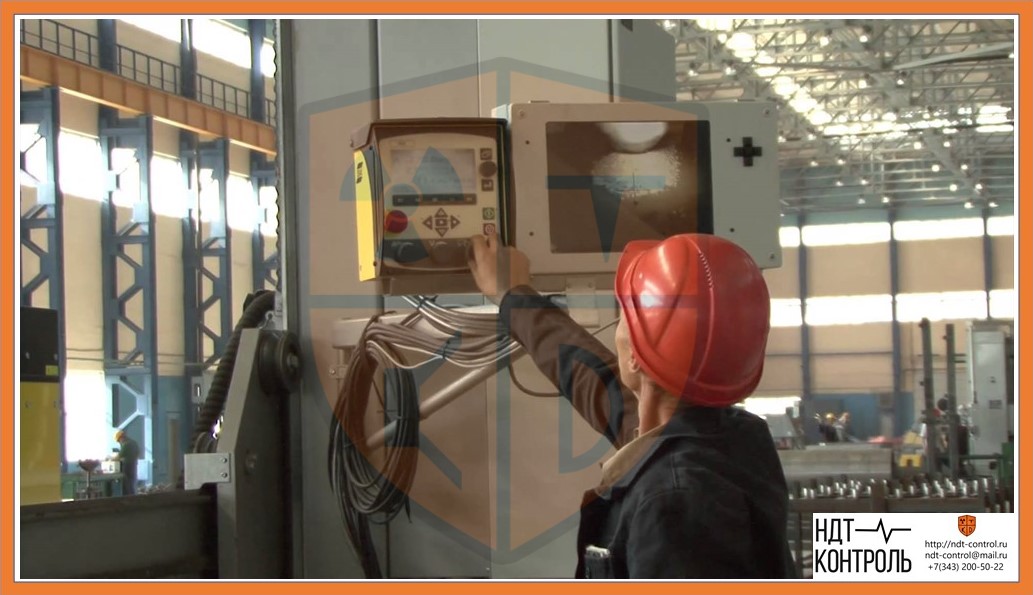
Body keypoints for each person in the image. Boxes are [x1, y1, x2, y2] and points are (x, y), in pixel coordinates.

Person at [467, 232, 797, 579]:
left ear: (636, 357)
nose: (619, 328)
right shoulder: (725, 444)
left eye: (624, 316)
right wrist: (514, 296)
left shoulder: (676, 503)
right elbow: (594, 381)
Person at [114, 429, 139, 495]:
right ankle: (132, 496)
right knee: (132, 482)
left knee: (126, 483)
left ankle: (128, 496)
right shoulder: (134, 442)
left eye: (119, 441)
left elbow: (119, 456)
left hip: (127, 466)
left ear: (121, 438)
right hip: (133, 465)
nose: (119, 442)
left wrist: (110, 459)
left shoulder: (126, 444)